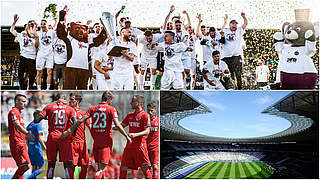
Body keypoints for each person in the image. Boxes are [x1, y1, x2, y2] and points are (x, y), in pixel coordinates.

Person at [61, 91, 131, 179]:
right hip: (104, 142)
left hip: (93, 142)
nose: (111, 103)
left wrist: (69, 131)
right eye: (111, 101)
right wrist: (126, 136)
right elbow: (117, 124)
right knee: (100, 169)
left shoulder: (91, 109)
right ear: (109, 99)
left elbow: (83, 122)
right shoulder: (111, 109)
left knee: (93, 166)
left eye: (72, 99)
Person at [35, 93, 77, 179]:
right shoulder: (70, 109)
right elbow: (76, 123)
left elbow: (36, 120)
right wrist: (72, 134)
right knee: (67, 164)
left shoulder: (49, 107)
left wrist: (47, 117)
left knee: (51, 164)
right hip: (64, 138)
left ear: (56, 99)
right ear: (64, 99)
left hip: (52, 138)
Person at [119, 95, 152, 179]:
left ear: (139, 103)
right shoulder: (130, 115)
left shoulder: (145, 115)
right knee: (123, 167)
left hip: (140, 146)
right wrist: (109, 127)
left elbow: (147, 131)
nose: (130, 103)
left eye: (133, 101)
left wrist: (135, 134)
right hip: (129, 146)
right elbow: (121, 126)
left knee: (145, 168)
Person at [8, 94, 35, 179]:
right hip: (17, 142)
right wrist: (27, 133)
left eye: (25, 101)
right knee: (26, 165)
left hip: (21, 142)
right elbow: (17, 125)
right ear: (17, 102)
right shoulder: (13, 112)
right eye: (23, 101)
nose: (25, 103)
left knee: (22, 166)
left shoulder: (19, 113)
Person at [10, 14, 39, 90]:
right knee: (20, 74)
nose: (35, 27)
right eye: (33, 25)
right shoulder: (22, 34)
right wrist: (14, 21)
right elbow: (12, 31)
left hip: (32, 58)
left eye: (35, 26)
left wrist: (36, 38)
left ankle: (30, 89)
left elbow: (36, 46)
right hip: (23, 57)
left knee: (32, 76)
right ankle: (22, 88)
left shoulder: (37, 34)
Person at [222, 12, 248, 89]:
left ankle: (240, 88)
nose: (234, 25)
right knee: (230, 74)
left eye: (235, 24)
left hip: (237, 56)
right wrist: (225, 21)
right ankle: (232, 88)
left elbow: (245, 24)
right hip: (227, 57)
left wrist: (244, 17)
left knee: (238, 74)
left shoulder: (239, 30)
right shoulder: (225, 31)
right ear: (229, 25)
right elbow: (220, 31)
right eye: (233, 24)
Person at [68, 93, 91, 179]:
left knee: (85, 166)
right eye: (69, 99)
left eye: (72, 99)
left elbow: (90, 126)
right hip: (72, 143)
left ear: (77, 101)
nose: (70, 101)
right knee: (71, 166)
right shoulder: (67, 112)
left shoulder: (83, 113)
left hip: (82, 143)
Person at [35, 19, 55, 90]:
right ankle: (39, 89)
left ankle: (48, 88)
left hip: (50, 54)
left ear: (47, 25)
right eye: (41, 24)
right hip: (41, 54)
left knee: (49, 72)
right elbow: (35, 45)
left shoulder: (52, 32)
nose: (43, 25)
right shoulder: (38, 33)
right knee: (39, 73)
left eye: (44, 24)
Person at [26, 110, 46, 179]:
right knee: (42, 168)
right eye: (40, 117)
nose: (41, 118)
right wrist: (45, 148)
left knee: (34, 167)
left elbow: (27, 138)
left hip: (30, 149)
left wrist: (29, 147)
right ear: (37, 116)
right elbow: (39, 139)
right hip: (37, 148)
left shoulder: (29, 125)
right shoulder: (38, 125)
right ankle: (28, 178)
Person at [146, 102, 160, 179]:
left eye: (151, 110)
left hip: (155, 147)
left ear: (155, 110)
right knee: (147, 167)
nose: (150, 112)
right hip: (146, 146)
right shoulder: (145, 120)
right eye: (148, 111)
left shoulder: (158, 120)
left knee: (155, 166)